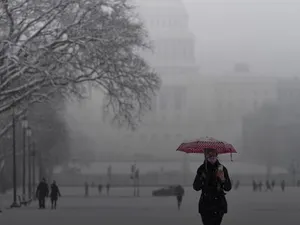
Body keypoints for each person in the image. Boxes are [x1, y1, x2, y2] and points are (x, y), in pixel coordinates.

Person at [193, 148, 232, 225]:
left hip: (219, 204)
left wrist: (223, 179)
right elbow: (196, 187)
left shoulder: (222, 168)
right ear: (206, 156)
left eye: (214, 155)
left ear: (217, 155)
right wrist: (201, 178)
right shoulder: (202, 169)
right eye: (210, 155)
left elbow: (228, 188)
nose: (212, 157)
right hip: (205, 204)